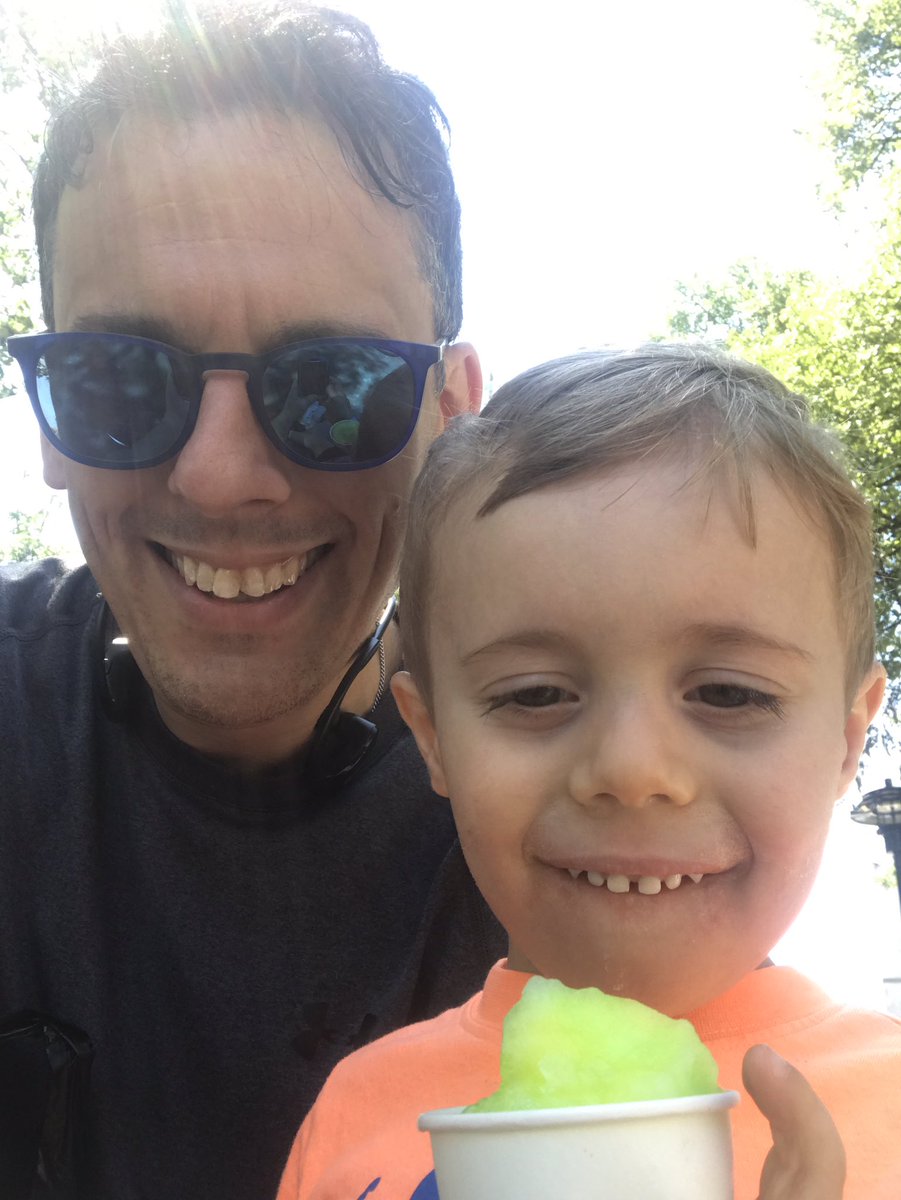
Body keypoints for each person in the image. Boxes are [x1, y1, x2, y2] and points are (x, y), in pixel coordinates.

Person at [0, 5, 506, 1199]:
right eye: (119, 379)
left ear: (452, 411)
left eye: (333, 383)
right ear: (47, 423)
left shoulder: (595, 799)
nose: (219, 477)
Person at [277, 344, 901, 1200]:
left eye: (728, 692)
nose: (631, 769)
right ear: (430, 739)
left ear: (844, 740)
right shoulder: (356, 1109)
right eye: (535, 694)